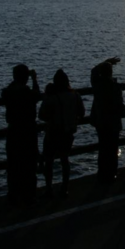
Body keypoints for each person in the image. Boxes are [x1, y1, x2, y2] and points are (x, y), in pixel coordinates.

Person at [39, 69, 85, 198]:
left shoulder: (52, 98)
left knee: (49, 161)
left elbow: (42, 115)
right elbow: (81, 113)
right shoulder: (75, 95)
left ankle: (49, 188)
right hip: (68, 132)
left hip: (53, 132)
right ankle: (65, 188)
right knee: (65, 160)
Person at [2, 64, 41, 206]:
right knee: (29, 165)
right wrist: (34, 79)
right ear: (26, 78)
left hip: (13, 132)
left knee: (13, 165)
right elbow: (38, 94)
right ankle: (29, 196)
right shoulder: (27, 93)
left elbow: (7, 90)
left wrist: (19, 78)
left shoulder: (8, 93)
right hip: (28, 132)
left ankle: (12, 195)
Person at [90, 57, 124, 184]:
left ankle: (102, 173)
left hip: (101, 121)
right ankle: (112, 173)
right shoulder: (115, 86)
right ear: (111, 73)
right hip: (113, 121)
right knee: (113, 148)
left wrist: (106, 61)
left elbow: (93, 71)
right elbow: (119, 105)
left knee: (103, 148)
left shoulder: (97, 84)